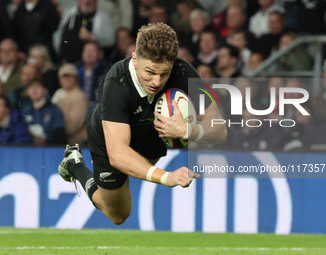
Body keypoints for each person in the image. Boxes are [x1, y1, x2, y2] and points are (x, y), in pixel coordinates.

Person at [58, 23, 227, 225]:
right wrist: (166, 177)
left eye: (164, 74)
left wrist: (189, 130)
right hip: (111, 137)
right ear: (135, 59)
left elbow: (220, 129)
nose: (156, 81)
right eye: (150, 72)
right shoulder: (116, 82)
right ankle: (74, 165)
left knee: (134, 172)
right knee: (119, 214)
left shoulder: (183, 73)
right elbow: (118, 152)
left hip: (151, 134)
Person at [52, 63, 89, 145]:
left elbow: (73, 126)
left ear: (76, 78)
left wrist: (56, 133)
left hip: (73, 143)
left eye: (70, 76)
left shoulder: (79, 96)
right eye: (63, 77)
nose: (66, 79)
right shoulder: (59, 93)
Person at [21, 79, 66, 145]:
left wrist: (46, 142)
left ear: (46, 90)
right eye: (31, 87)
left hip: (49, 150)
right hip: (28, 150)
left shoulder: (54, 110)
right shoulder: (24, 111)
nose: (34, 89)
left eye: (38, 86)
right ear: (27, 92)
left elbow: (59, 134)